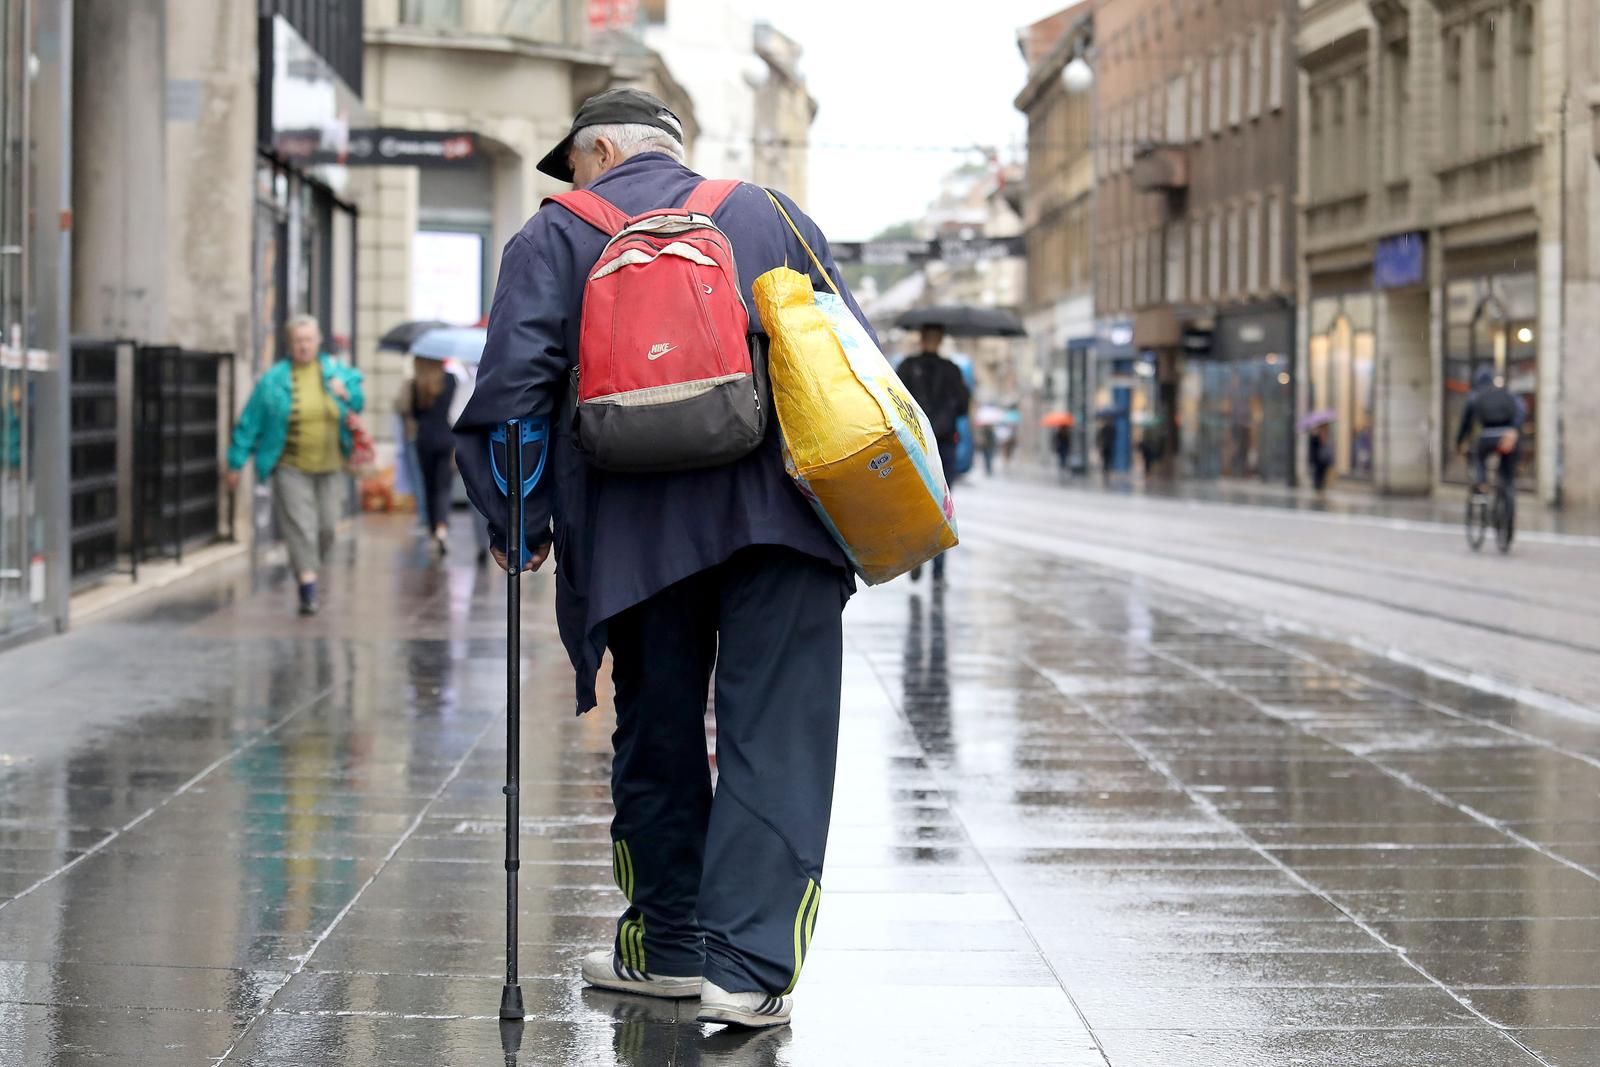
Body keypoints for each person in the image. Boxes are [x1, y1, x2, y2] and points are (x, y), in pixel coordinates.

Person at [452, 88, 870, 1030]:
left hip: (638, 531)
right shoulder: (770, 213)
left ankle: (668, 945)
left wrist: (520, 524)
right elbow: (847, 356)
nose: (575, 179)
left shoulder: (556, 234)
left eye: (576, 163)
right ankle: (748, 966)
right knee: (778, 734)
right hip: (783, 521)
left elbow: (513, 388)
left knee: (659, 724)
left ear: (600, 149)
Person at [226, 315, 363, 616]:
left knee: (327, 527)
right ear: (290, 344)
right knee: (301, 527)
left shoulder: (335, 373)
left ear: (318, 342)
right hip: (290, 466)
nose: (304, 345)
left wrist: (346, 393)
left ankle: (306, 565)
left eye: (309, 339)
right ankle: (307, 586)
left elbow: (358, 401)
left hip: (330, 465)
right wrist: (236, 462)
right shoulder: (274, 380)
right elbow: (250, 422)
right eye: (298, 340)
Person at [897, 325, 970, 582]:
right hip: (944, 443)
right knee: (943, 504)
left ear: (921, 338)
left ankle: (918, 555)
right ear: (939, 340)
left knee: (915, 500)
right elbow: (963, 405)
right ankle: (938, 566)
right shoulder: (951, 370)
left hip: (914, 442)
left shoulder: (907, 366)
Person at [395, 356, 457, 556]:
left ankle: (433, 530)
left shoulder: (416, 384)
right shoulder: (450, 379)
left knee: (429, 485)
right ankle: (442, 527)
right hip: (446, 437)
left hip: (424, 439)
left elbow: (412, 413)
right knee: (443, 485)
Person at [1455, 367, 1527, 492]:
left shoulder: (1475, 396)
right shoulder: (1506, 392)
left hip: (1486, 436)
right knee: (1508, 466)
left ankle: (1483, 483)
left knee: (1478, 457)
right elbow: (1521, 409)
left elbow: (1466, 422)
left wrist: (1459, 441)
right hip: (1507, 436)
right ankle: (1508, 483)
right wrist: (1514, 429)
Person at [1309, 424, 1333, 494]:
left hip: (1323, 459)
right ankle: (1317, 486)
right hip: (1317, 459)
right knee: (1317, 473)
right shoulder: (1314, 437)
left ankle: (1320, 486)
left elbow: (1326, 447)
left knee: (1322, 473)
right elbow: (1313, 448)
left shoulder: (1324, 437)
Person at [1096, 417, 1117, 485]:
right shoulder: (1108, 429)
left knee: (1107, 459)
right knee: (1106, 459)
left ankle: (1106, 469)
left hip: (1107, 447)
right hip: (1107, 447)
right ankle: (1106, 470)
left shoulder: (1108, 429)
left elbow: (1100, 437)